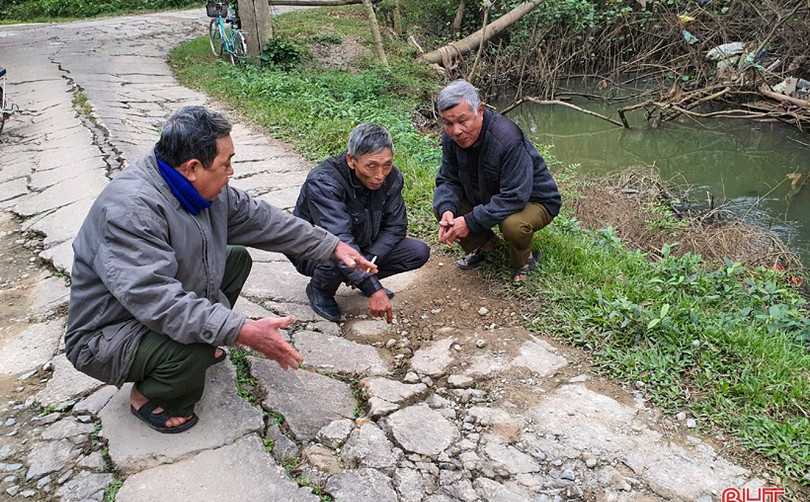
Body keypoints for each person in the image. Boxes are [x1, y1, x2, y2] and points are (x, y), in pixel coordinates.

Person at [65, 106, 376, 434]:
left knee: (235, 258)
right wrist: (242, 331)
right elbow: (162, 304)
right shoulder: (131, 212)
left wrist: (332, 246)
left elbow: (263, 219)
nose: (230, 171)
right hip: (107, 334)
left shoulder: (199, 189)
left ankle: (182, 354)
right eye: (225, 164)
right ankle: (149, 395)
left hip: (146, 309)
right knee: (197, 340)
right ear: (192, 168)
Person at [291, 123, 429, 323]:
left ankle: (359, 278)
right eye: (371, 166)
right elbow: (339, 240)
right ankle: (319, 288)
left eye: (387, 165)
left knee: (417, 252)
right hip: (317, 250)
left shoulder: (392, 178)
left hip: (361, 244)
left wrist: (366, 266)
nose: (380, 175)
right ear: (351, 160)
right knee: (335, 254)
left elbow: (396, 227)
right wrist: (373, 287)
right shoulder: (324, 182)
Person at [433, 80, 561, 283]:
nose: (456, 131)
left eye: (462, 121)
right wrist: (447, 210)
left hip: (534, 199)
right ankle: (487, 244)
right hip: (490, 193)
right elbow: (448, 179)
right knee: (446, 207)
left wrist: (469, 221)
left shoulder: (507, 139)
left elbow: (515, 197)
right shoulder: (451, 139)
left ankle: (524, 259)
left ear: (480, 111)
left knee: (513, 225)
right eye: (448, 123)